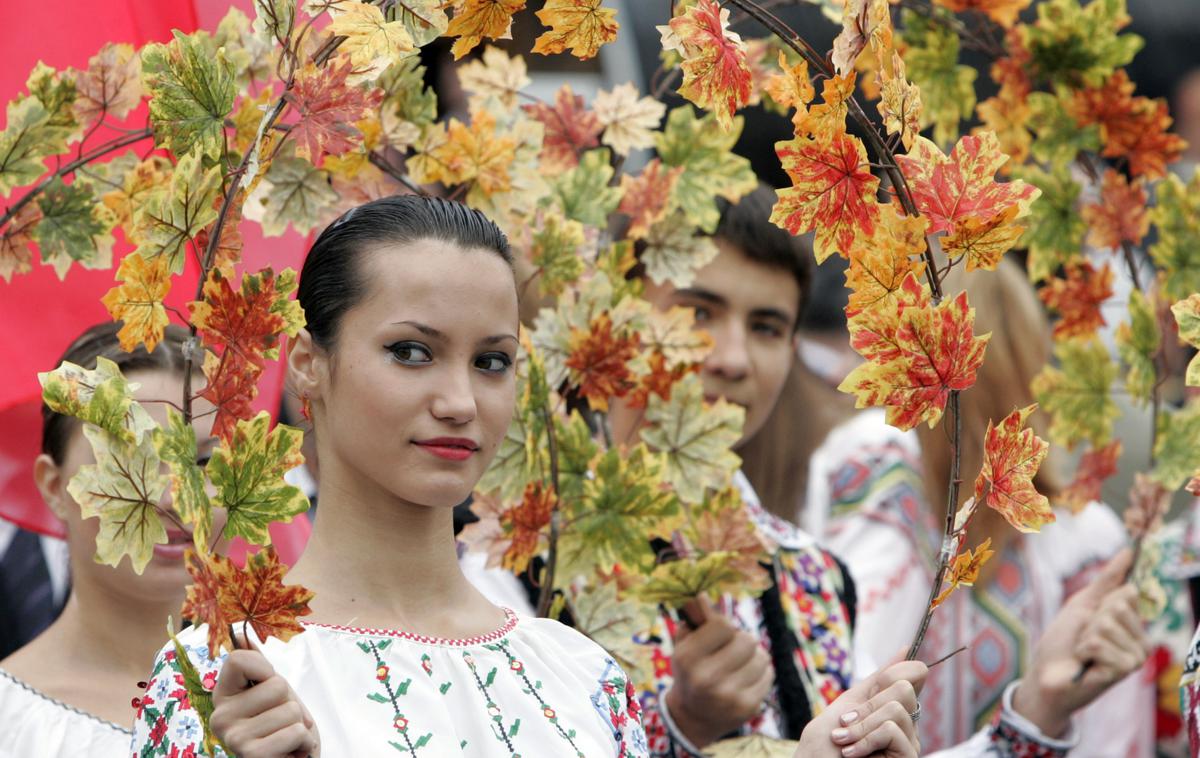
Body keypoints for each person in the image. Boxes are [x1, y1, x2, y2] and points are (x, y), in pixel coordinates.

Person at [613, 186, 1152, 757]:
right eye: (699, 312)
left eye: (767, 327)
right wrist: (679, 729)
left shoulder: (812, 577)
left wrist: (1039, 711)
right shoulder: (531, 546)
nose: (733, 358)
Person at [804, 259, 1154, 755]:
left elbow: (829, 661)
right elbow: (1114, 738)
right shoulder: (872, 469)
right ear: (1034, 360)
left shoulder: (863, 462)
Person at [0, 322, 222, 756]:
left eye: (201, 461)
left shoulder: (293, 689)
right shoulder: (11, 721)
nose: (172, 497)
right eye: (127, 460)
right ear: (52, 486)